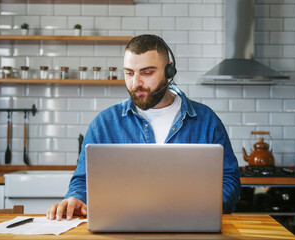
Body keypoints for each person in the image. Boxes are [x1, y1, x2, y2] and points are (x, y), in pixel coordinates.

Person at [47, 34, 242, 221]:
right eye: (129, 73)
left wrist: (199, 210)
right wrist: (76, 198)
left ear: (169, 72)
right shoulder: (104, 124)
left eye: (147, 73)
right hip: (120, 231)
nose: (136, 83)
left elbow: (230, 180)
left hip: (192, 230)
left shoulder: (206, 120)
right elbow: (83, 180)